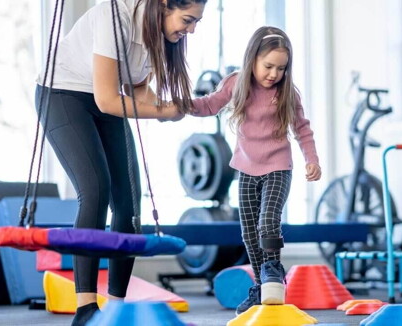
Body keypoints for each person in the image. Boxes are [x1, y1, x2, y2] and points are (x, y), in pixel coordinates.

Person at [34, 0, 206, 325]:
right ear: (165, 6)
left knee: (128, 203)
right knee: (95, 189)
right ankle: (85, 309)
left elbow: (137, 87)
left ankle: (117, 308)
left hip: (108, 101)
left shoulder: (158, 34)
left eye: (196, 22)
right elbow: (108, 99)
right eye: (187, 20)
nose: (191, 29)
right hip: (63, 94)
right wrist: (162, 113)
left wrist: (171, 107)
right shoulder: (116, 16)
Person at [187, 26, 322, 315]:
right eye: (268, 66)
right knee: (249, 232)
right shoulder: (237, 84)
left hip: (278, 167)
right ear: (252, 60)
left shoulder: (287, 93)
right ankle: (262, 288)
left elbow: (302, 128)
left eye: (281, 68)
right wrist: (181, 105)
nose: (274, 74)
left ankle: (273, 273)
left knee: (267, 219)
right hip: (246, 169)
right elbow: (209, 104)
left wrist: (312, 159)